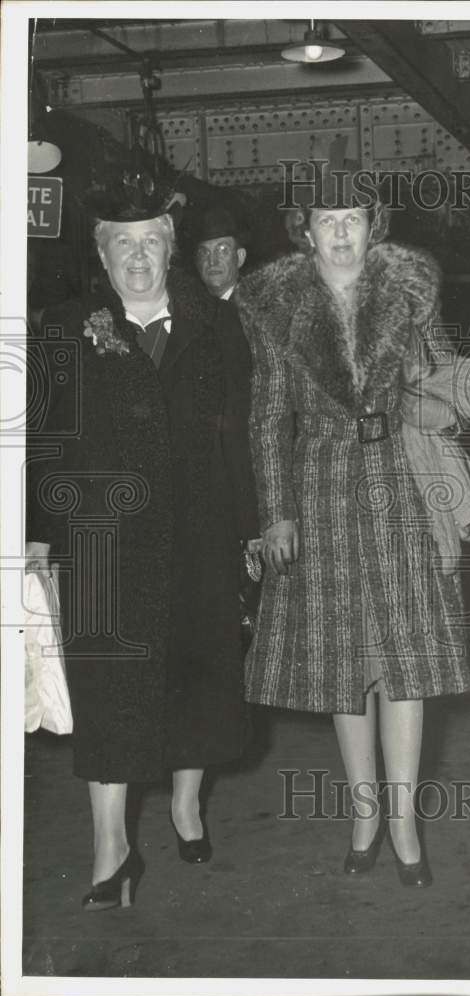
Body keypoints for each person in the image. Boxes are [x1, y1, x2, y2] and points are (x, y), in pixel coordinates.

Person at [236, 175, 470, 887]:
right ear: (304, 229)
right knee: (344, 664)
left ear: (375, 226)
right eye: (326, 219)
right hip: (322, 486)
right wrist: (276, 510)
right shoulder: (276, 308)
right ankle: (364, 811)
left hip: (399, 480)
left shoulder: (410, 293)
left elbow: (442, 384)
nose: (340, 233)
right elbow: (269, 417)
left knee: (406, 662)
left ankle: (403, 821)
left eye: (353, 219)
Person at [25, 178, 259, 909]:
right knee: (110, 689)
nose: (137, 255)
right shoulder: (68, 324)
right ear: (100, 252)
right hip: (103, 536)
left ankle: (187, 805)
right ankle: (111, 848)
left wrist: (247, 529)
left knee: (195, 676)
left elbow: (239, 432)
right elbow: (43, 433)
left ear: (171, 246)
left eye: (151, 240)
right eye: (121, 242)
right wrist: (35, 528)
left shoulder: (215, 324)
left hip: (199, 530)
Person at [193, 205, 248, 300]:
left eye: (222, 250)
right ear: (197, 262)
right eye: (204, 252)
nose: (212, 262)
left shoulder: (254, 308)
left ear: (240, 257)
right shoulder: (192, 307)